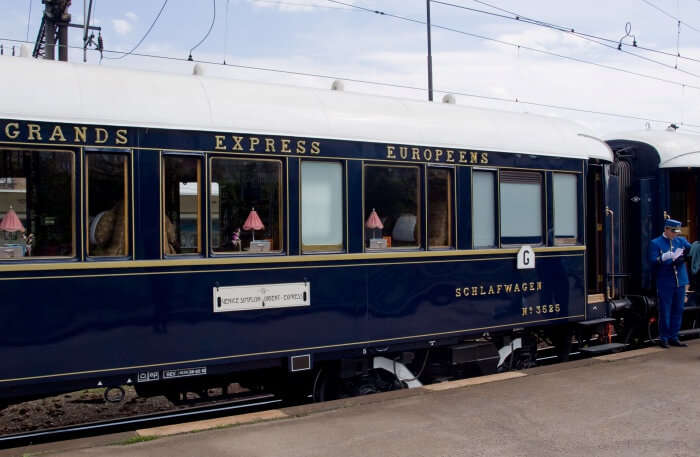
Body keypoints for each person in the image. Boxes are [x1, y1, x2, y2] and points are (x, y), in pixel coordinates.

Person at [648, 218, 692, 348]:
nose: (676, 234)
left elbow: (690, 250)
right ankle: (664, 338)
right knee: (665, 310)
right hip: (665, 281)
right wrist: (663, 257)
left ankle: (674, 336)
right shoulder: (656, 243)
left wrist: (686, 255)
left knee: (678, 310)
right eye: (673, 231)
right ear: (666, 229)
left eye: (677, 231)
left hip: (680, 281)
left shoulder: (681, 240)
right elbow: (652, 260)